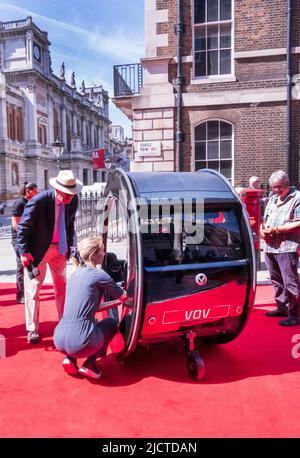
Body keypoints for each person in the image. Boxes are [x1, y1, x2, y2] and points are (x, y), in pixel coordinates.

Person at [17, 170, 83, 344]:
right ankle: (32, 329)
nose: (69, 198)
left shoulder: (73, 200)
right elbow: (22, 228)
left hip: (60, 250)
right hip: (38, 251)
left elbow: (69, 224)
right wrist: (24, 252)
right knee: (33, 290)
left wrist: (70, 246)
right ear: (57, 189)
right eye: (66, 194)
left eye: (71, 194)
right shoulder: (39, 201)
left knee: (62, 287)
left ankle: (63, 322)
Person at [53, 236, 128, 380]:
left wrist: (115, 303)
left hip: (59, 338)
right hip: (81, 341)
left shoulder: (74, 275)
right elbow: (124, 297)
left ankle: (70, 358)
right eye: (103, 251)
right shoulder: (98, 274)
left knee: (89, 320)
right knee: (111, 323)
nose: (105, 254)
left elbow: (90, 307)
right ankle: (90, 364)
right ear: (94, 255)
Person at [261, 170, 300, 326]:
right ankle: (282, 307)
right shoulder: (272, 198)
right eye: (273, 187)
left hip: (287, 246)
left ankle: (295, 314)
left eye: (278, 187)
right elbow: (265, 218)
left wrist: (276, 230)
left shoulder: (297, 198)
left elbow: (298, 222)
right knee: (276, 279)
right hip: (270, 246)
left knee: (290, 282)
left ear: (287, 184)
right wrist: (262, 230)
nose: (276, 190)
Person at [11, 182, 38, 303]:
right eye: (35, 192)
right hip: (19, 239)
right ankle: (20, 295)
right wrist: (25, 235)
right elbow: (15, 224)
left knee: (29, 266)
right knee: (21, 266)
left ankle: (28, 291)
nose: (37, 194)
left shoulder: (31, 203)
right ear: (28, 192)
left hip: (30, 238)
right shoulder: (19, 204)